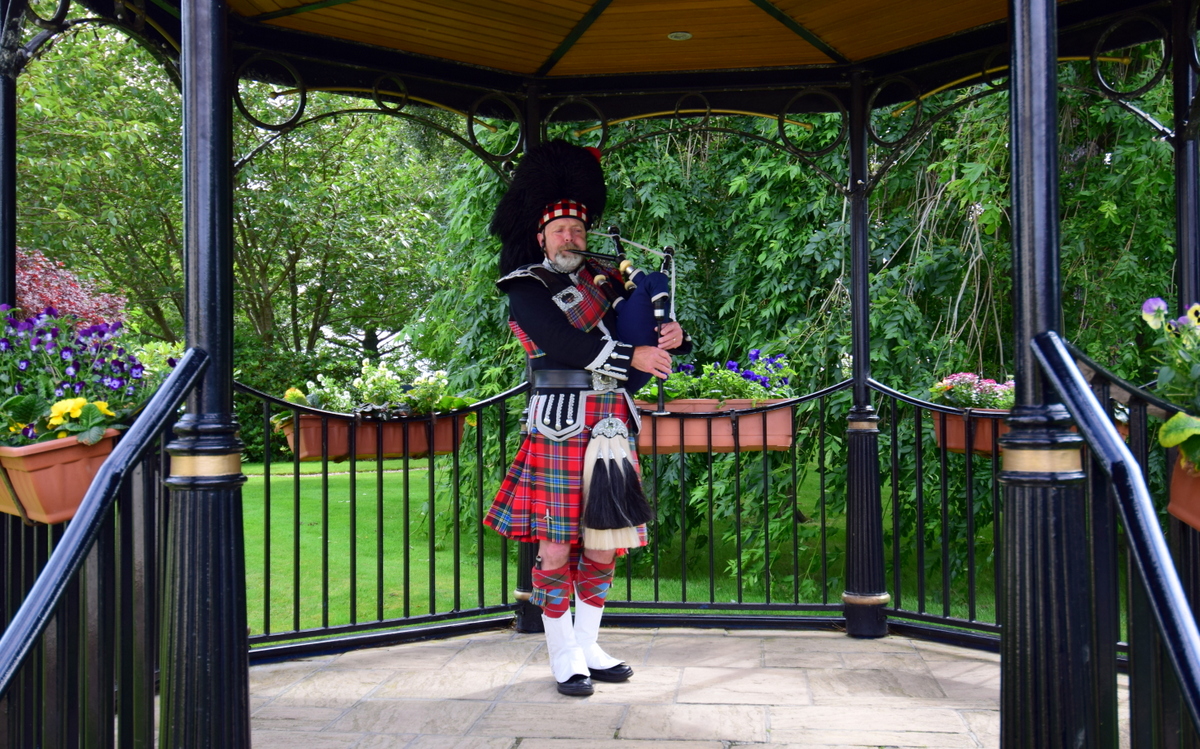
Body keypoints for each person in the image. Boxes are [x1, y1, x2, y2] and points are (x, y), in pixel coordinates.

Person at [484, 140, 691, 696]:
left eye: (578, 229)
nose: (571, 238)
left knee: (605, 538)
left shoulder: (610, 278)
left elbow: (641, 323)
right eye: (560, 231)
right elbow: (557, 342)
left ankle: (589, 643)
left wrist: (673, 334)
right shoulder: (525, 285)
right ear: (541, 237)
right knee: (555, 545)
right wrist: (633, 357)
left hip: (613, 422)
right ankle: (561, 651)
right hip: (558, 421)